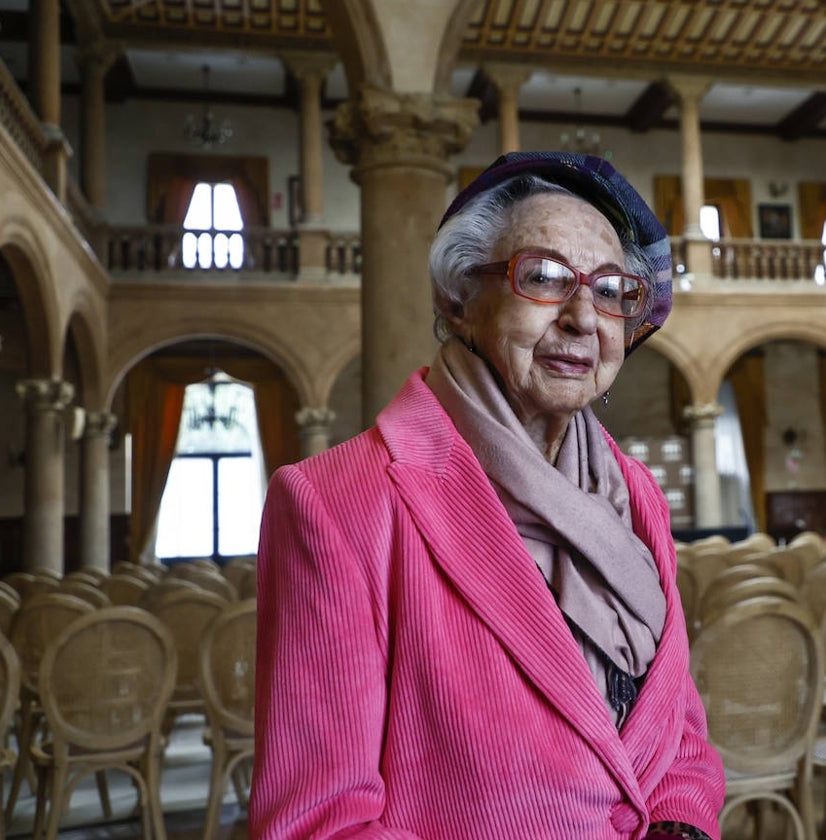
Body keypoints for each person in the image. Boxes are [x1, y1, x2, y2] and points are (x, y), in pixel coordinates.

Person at [251, 151, 725, 840]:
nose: (582, 317)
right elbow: (319, 823)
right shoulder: (337, 504)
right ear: (459, 300)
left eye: (611, 290)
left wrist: (681, 821)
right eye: (543, 277)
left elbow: (678, 736)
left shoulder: (635, 491)